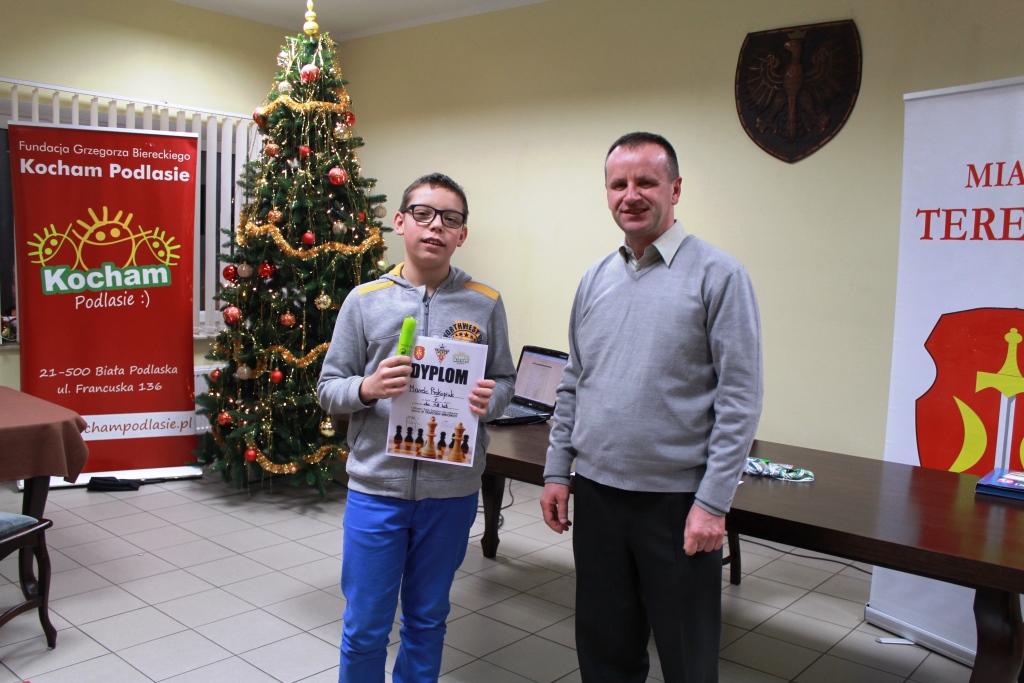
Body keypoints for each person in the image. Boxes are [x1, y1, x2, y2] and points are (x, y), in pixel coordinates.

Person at [540, 133, 763, 683]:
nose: (631, 195)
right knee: (605, 655)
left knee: (687, 660)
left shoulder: (719, 276)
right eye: (618, 184)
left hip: (677, 504)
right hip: (598, 496)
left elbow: (739, 398)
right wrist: (556, 471)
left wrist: (712, 503)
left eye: (646, 182)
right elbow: (574, 381)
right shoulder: (595, 278)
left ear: (675, 189)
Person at [318, 173, 516, 683]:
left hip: (450, 492)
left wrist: (492, 400)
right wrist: (367, 388)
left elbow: (505, 381)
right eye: (424, 214)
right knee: (365, 626)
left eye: (450, 219)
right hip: (377, 489)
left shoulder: (485, 302)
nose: (436, 227)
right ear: (400, 222)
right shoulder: (364, 300)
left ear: (462, 234)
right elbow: (328, 388)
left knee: (427, 620)